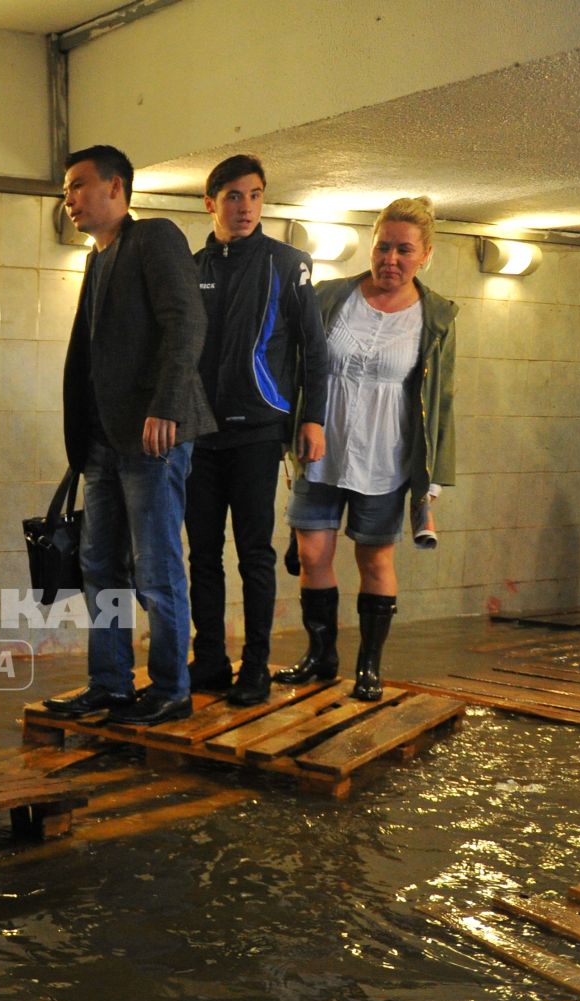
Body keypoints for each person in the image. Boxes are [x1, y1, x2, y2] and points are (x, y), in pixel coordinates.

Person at [45, 144, 216, 727]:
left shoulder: (156, 238)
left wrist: (166, 406)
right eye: (67, 189)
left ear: (116, 187)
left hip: (153, 436)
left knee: (157, 567)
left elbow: (187, 322)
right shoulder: (98, 257)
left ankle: (172, 687)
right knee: (101, 566)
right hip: (103, 442)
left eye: (78, 185)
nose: (69, 198)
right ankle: (111, 684)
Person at [278, 196, 458, 701]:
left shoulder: (435, 318)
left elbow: (439, 400)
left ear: (425, 256)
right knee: (313, 553)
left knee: (374, 560)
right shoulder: (330, 297)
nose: (390, 260)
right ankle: (320, 656)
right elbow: (295, 365)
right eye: (383, 247)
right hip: (320, 449)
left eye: (404, 250)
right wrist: (285, 432)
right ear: (372, 245)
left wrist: (431, 481)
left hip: (385, 457)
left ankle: (369, 666)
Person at [186, 154, 330, 707]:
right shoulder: (192, 266)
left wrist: (311, 418)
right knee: (202, 553)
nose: (245, 207)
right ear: (211, 203)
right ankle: (212, 659)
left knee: (253, 554)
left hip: (257, 431)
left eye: (254, 195)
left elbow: (313, 352)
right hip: (199, 435)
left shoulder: (288, 263)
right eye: (232, 196)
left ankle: (255, 668)